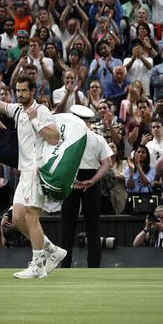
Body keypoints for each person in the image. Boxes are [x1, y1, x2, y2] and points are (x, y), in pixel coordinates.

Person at [0, 59, 64, 278]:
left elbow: (54, 138)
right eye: (18, 91)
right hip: (24, 172)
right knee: (17, 219)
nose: (20, 94)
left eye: (24, 91)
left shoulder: (41, 110)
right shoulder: (16, 110)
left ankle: (37, 266)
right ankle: (52, 250)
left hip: (37, 170)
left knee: (31, 217)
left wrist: (36, 121)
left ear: (33, 91)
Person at [60, 105, 113, 269]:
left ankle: (65, 264)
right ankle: (94, 265)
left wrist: (75, 179)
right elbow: (107, 164)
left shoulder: (65, 139)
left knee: (68, 225)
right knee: (92, 226)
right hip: (88, 180)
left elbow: (60, 161)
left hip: (73, 180)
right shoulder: (97, 138)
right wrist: (93, 180)